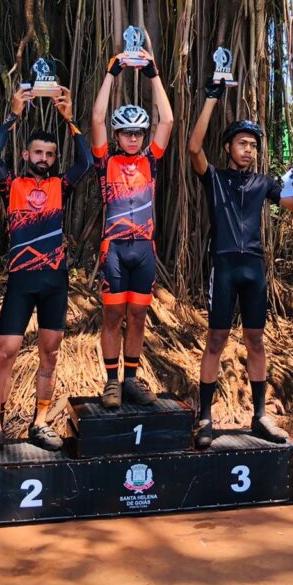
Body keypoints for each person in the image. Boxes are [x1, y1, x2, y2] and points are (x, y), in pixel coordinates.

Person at [188, 79, 293, 447]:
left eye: (254, 145)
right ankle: (205, 416)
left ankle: (259, 415)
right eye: (242, 143)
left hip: (254, 268)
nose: (249, 150)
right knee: (216, 340)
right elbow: (193, 147)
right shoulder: (215, 178)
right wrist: (211, 99)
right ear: (228, 147)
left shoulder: (263, 183)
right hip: (224, 266)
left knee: (256, 340)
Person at [0, 86, 92, 459]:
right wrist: (13, 115)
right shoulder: (11, 185)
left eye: (50, 154)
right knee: (6, 351)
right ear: (26, 155)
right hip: (22, 280)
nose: (44, 159)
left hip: (54, 280)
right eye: (38, 153)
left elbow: (87, 161)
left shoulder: (60, 185)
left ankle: (40, 421)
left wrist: (69, 119)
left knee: (50, 353)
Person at [91, 40, 174, 408]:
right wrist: (113, 72)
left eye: (138, 133)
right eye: (126, 133)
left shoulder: (150, 161)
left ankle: (131, 380)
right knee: (112, 314)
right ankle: (111, 382)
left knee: (138, 315)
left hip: (144, 249)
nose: (133, 138)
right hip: (114, 248)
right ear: (117, 135)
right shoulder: (105, 161)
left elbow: (167, 121)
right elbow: (96, 118)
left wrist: (153, 74)